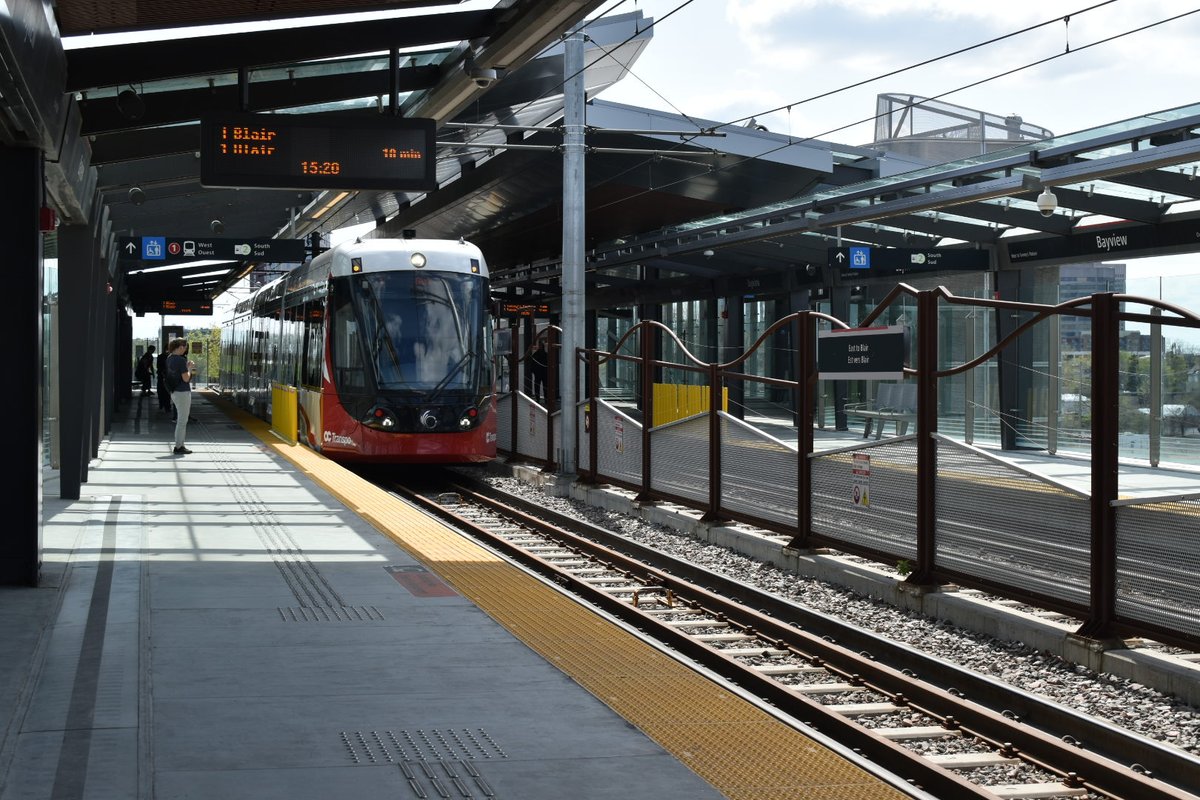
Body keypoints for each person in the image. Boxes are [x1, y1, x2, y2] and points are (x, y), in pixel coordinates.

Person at [165, 338, 196, 455]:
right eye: (185, 347)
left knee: (181, 420)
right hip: (182, 392)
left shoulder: (169, 359)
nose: (185, 350)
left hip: (174, 392)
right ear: (181, 347)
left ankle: (180, 444)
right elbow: (186, 378)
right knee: (182, 421)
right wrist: (190, 368)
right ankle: (179, 446)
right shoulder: (180, 359)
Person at [156, 348, 171, 413]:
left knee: (161, 391)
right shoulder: (170, 357)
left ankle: (162, 404)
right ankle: (166, 406)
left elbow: (158, 366)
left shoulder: (160, 357)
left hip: (161, 376)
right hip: (166, 376)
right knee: (166, 392)